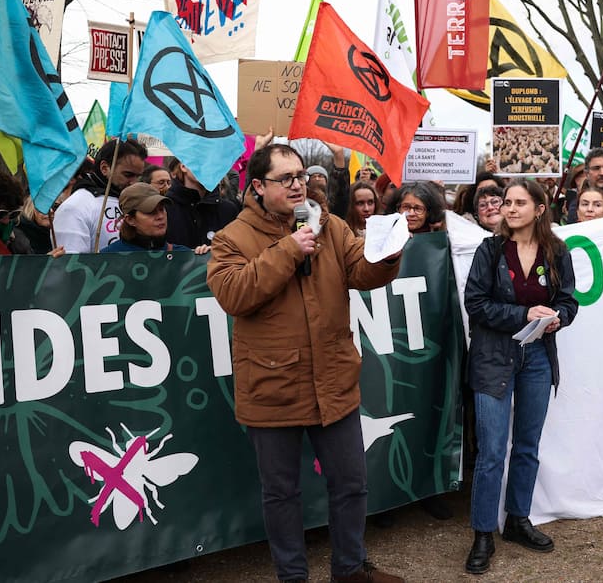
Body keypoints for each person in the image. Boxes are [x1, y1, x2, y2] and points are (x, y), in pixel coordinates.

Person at [206, 144, 405, 583]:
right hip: (272, 387)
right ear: (257, 187)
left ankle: (349, 570)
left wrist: (387, 250)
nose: (299, 184)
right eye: (286, 178)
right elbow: (233, 294)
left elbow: (362, 271)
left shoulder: (328, 225)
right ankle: (292, 577)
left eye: (300, 175)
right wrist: (290, 249)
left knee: (351, 484)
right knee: (282, 495)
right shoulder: (231, 238)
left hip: (333, 379)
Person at [463, 180, 578, 575]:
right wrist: (523, 315)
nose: (509, 208)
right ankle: (482, 533)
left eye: (518, 202)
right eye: (507, 202)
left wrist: (557, 318)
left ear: (540, 209)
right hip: (493, 359)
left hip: (538, 359)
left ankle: (517, 519)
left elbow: (569, 300)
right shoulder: (490, 250)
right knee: (492, 451)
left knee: (527, 445)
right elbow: (475, 304)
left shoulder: (556, 251)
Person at [55, 139, 148, 252]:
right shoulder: (76, 206)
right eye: (128, 175)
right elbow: (71, 263)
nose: (134, 182)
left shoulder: (138, 203)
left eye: (138, 176)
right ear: (104, 168)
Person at [101, 183, 210, 254]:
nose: (160, 216)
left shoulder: (182, 255)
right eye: (151, 212)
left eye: (162, 209)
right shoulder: (109, 257)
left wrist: (205, 261)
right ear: (130, 220)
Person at [163, 163, 240, 248]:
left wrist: (217, 252)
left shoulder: (228, 210)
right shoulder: (164, 208)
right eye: (201, 161)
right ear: (183, 166)